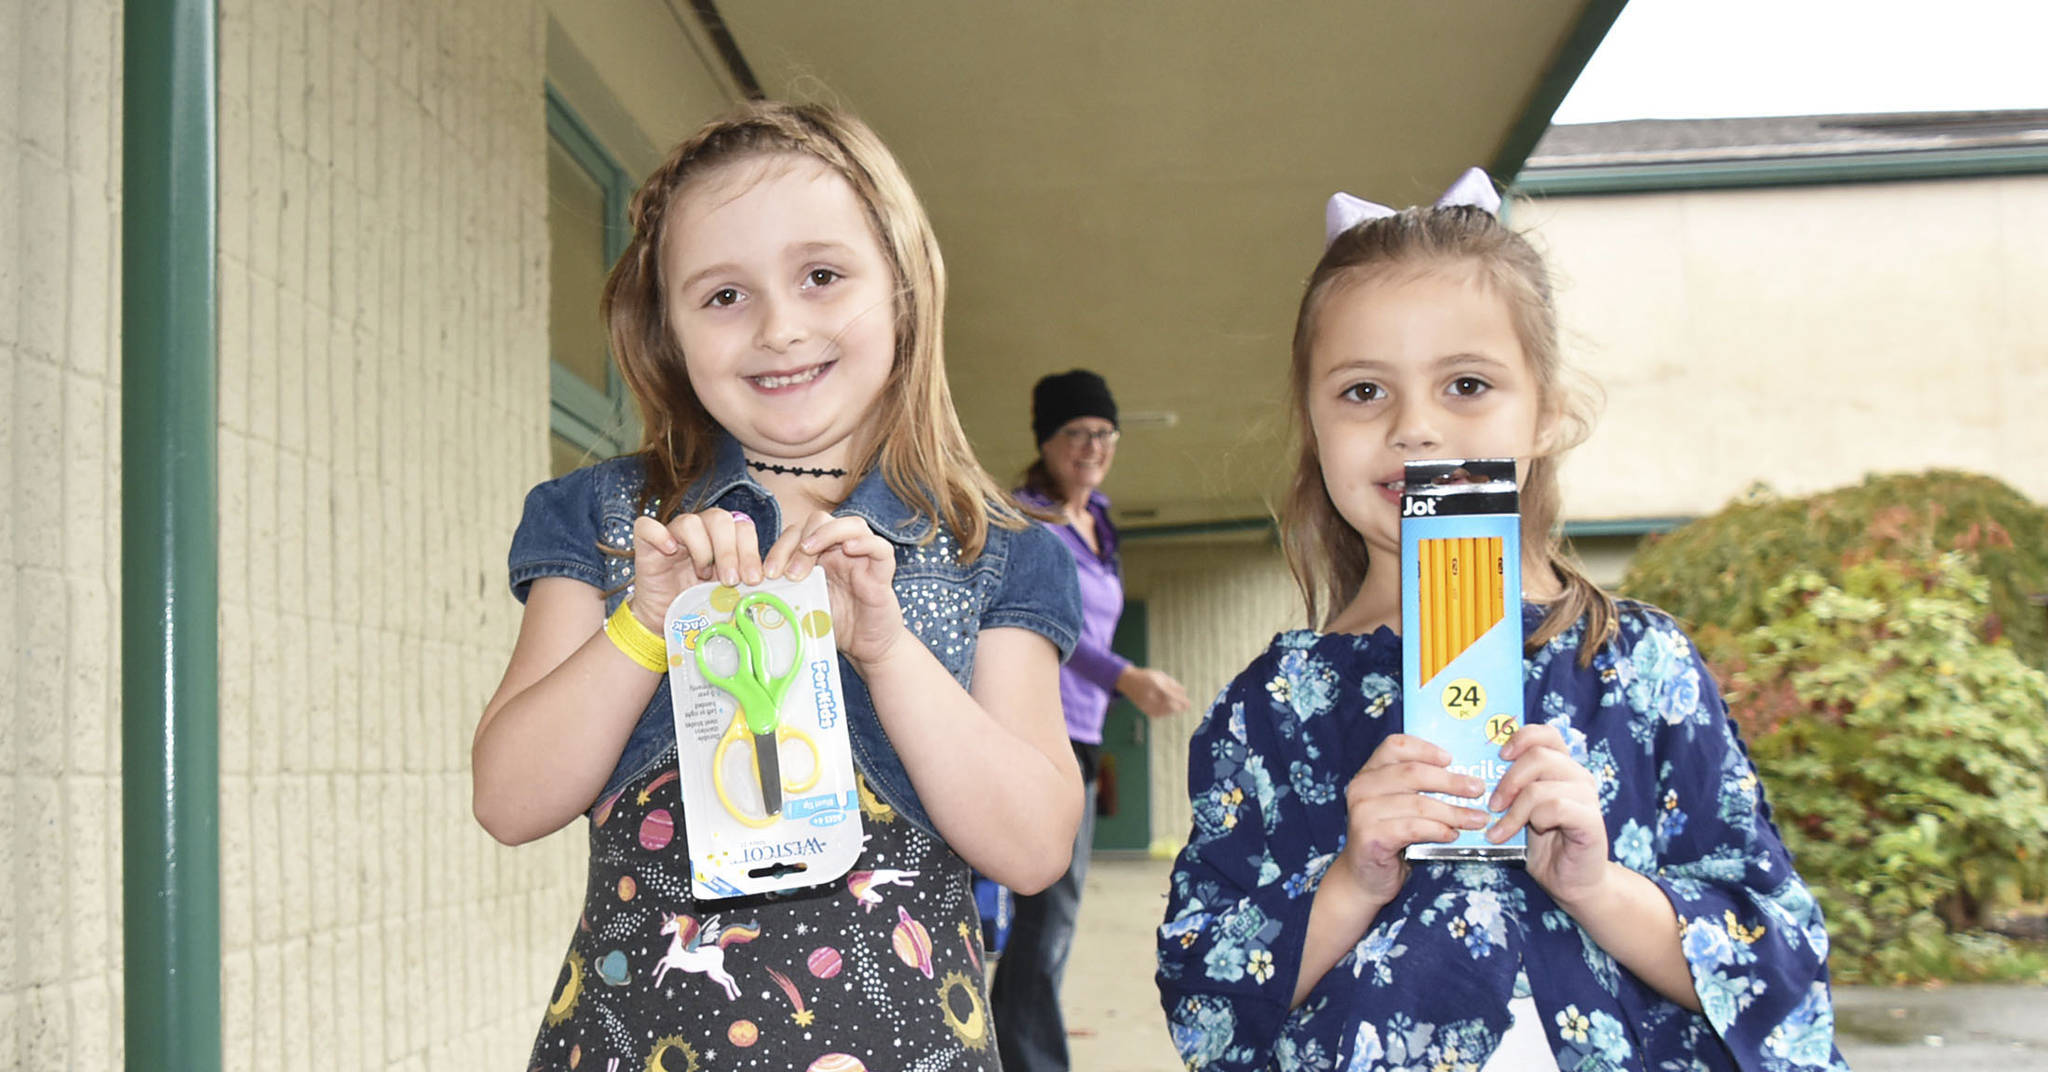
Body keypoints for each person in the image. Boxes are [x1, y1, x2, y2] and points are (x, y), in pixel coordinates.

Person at [1154, 171, 1848, 1070]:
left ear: (1549, 413)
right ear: (1313, 426)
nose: (1416, 428)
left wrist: (1599, 887)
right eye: (1363, 391)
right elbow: (1203, 1002)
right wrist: (1349, 885)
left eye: (1468, 384)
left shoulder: (1639, 668)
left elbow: (1783, 967)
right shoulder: (1272, 708)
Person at [474, 101, 1086, 1072]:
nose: (778, 326)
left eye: (820, 275)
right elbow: (507, 797)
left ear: (902, 289)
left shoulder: (995, 553)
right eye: (722, 295)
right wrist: (643, 623)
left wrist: (887, 652)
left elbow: (1033, 846)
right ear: (665, 328)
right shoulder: (601, 520)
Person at [990, 369, 1191, 1071]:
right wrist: (1128, 677)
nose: (1091, 447)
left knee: (1050, 918)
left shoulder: (1098, 517)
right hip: (1032, 731)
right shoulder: (1024, 520)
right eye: (1075, 433)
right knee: (1048, 916)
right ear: (1046, 441)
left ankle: (1014, 1049)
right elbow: (1053, 626)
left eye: (1103, 434)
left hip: (1080, 735)